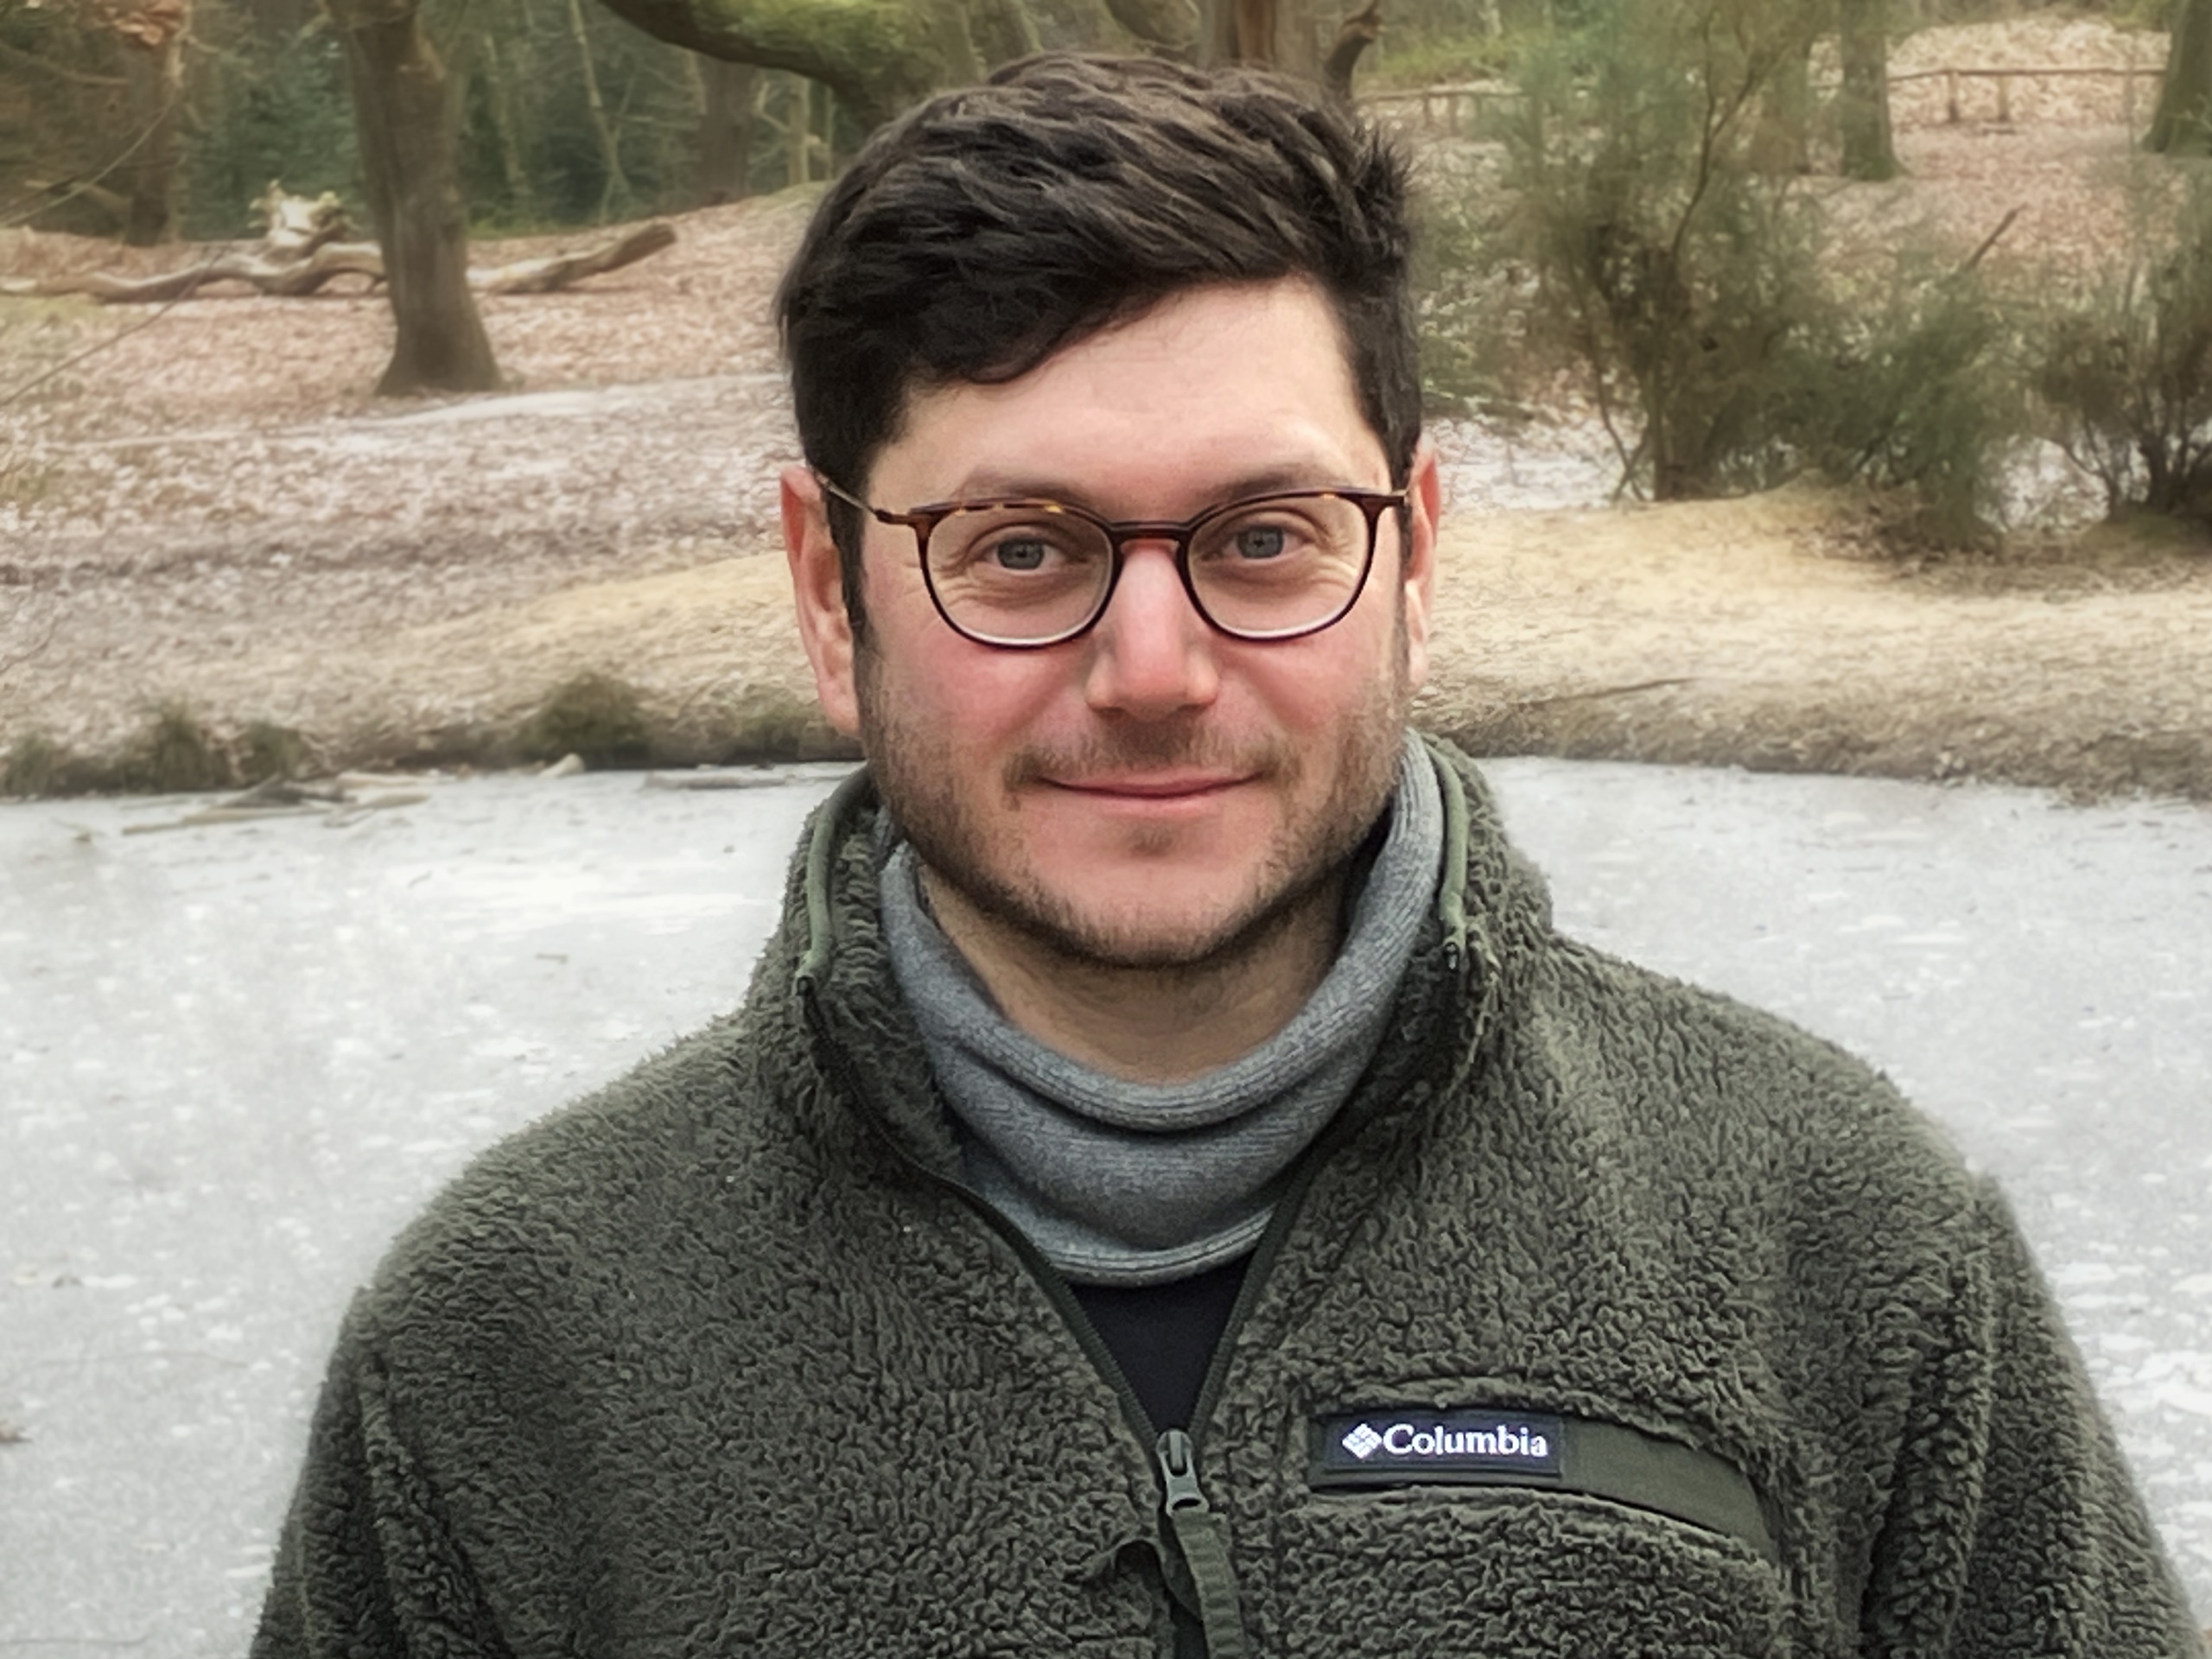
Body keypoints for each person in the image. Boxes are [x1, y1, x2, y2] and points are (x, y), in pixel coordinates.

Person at [251, 54, 2204, 1659]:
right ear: (829, 594)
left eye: (1263, 540)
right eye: (1022, 551)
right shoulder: (509, 1341)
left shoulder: (1835, 1232)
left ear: (1412, 559)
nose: (1153, 671)